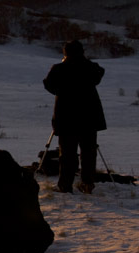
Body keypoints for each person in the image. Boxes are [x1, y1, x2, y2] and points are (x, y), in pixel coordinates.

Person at [43, 39, 107, 194]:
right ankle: (87, 183)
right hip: (89, 117)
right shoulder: (90, 68)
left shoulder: (59, 69)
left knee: (67, 154)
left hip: (67, 118)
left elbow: (48, 84)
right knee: (89, 152)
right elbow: (100, 72)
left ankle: (65, 185)